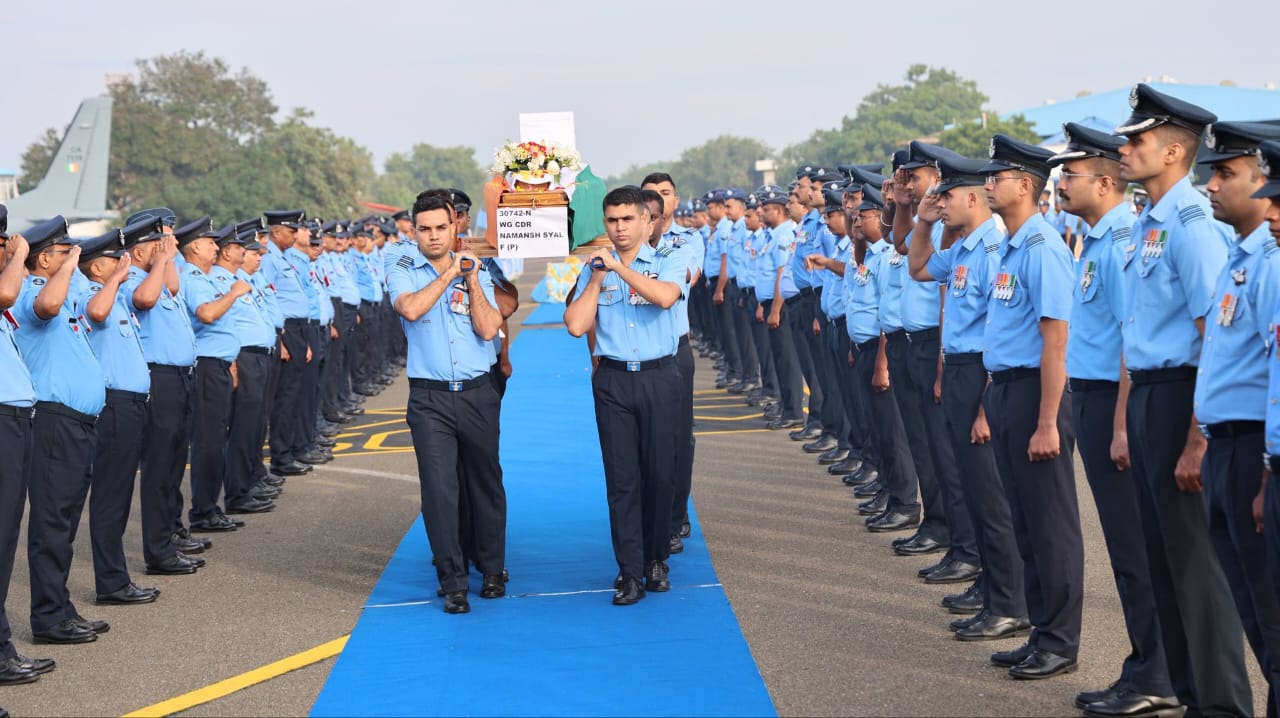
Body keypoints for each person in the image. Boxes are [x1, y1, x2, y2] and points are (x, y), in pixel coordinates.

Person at [1116, 83, 1252, 716]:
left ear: (1173, 151)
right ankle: (1191, 697)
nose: (1124, 146)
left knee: (1197, 570)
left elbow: (1211, 337)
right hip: (1149, 394)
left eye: (1136, 138)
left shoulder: (1192, 227)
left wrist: (1198, 438)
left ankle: (1222, 705)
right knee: (1165, 560)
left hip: (1181, 399)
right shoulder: (1150, 219)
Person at [1050, 121, 1178, 714]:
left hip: (1115, 401)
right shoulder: (1096, 239)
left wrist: (1124, 423)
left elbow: (1134, 339)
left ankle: (1158, 675)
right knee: (1129, 549)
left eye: (1069, 175)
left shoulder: (1126, 238)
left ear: (1104, 183)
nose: (1061, 185)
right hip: (1097, 399)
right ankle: (1143, 664)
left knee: (1135, 547)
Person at [974, 134, 1082, 679]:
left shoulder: (1043, 248)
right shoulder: (1013, 247)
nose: (988, 184)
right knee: (1023, 520)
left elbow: (1055, 340)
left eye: (998, 177)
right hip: (1008, 390)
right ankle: (1041, 632)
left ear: (1027, 186)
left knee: (1050, 523)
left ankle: (1061, 642)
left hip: (1038, 396)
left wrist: (1046, 422)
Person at [906, 154, 1028, 637]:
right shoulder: (962, 249)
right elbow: (917, 268)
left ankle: (1010, 602)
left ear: (973, 199)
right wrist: (921, 221)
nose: (941, 203)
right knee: (972, 490)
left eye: (947, 196)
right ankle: (991, 588)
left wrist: (984, 406)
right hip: (958, 370)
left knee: (992, 496)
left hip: (982, 374)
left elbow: (1002, 333)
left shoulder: (995, 249)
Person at [1195, 120, 1280, 716]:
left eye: (1228, 173)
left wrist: (1268, 469)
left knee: (1271, 612)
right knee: (1253, 608)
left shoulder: (1271, 264)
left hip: (1256, 447)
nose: (1215, 186)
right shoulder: (1238, 257)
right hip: (1228, 445)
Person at [565, 186, 685, 606]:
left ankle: (656, 561)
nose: (619, 228)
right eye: (612, 220)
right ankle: (629, 571)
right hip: (614, 379)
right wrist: (598, 277)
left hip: (659, 377)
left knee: (659, 475)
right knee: (622, 481)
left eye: (627, 219)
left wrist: (620, 268)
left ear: (645, 222)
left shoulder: (669, 257)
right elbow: (577, 325)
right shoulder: (595, 267)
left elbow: (666, 296)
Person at [388, 190, 506, 615]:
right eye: (425, 229)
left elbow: (490, 327)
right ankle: (452, 580)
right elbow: (411, 308)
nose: (434, 237)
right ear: (414, 231)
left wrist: (472, 279)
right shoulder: (400, 264)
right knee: (440, 491)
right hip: (430, 397)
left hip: (477, 391)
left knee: (485, 483)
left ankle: (492, 568)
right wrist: (447, 275)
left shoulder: (476, 266)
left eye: (442, 227)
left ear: (455, 226)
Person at [11, 216, 109, 645]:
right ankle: (48, 618)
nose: (74, 256)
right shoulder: (33, 290)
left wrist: (67, 268)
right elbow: (47, 307)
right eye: (64, 251)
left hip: (77, 422)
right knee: (52, 521)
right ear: (44, 257)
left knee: (65, 521)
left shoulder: (59, 288)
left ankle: (60, 605)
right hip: (55, 419)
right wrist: (69, 268)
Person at [72, 226, 161, 606]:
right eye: (114, 259)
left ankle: (117, 577)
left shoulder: (116, 296)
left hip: (131, 403)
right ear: (96, 268)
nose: (122, 264)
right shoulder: (94, 294)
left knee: (120, 493)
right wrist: (119, 280)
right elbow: (96, 312)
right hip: (113, 404)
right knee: (110, 496)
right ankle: (110, 582)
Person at [119, 210, 207, 573]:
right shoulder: (133, 279)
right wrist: (160, 261)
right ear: (140, 251)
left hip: (181, 377)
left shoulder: (161, 277)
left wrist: (165, 257)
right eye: (159, 242)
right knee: (158, 468)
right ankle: (158, 551)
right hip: (160, 378)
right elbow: (145, 300)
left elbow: (171, 288)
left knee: (173, 464)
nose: (167, 247)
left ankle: (170, 534)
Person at [840, 186, 922, 533]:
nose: (857, 221)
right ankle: (890, 494)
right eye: (855, 216)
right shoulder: (871, 254)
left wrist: (882, 362)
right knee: (878, 428)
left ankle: (905, 502)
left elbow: (890, 311)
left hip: (882, 349)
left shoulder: (892, 254)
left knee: (892, 432)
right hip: (864, 346)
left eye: (864, 215)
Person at [0, 208, 57, 685]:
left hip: (16, 419)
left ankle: (1, 650)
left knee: (4, 543)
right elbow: (7, 291)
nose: (6, 248)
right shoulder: (8, 283)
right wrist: (20, 255)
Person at [640, 173, 703, 551]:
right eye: (650, 195)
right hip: (638, 354)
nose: (657, 201)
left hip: (674, 349)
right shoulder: (624, 245)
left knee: (679, 437)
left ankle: (676, 514)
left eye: (664, 194)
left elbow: (687, 279)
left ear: (674, 202)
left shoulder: (686, 242)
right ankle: (651, 515)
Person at [180, 221, 252, 532]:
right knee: (208, 441)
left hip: (218, 364)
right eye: (210, 242)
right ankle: (204, 511)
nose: (215, 247)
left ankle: (210, 507)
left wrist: (232, 362)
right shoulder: (193, 277)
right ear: (194, 247)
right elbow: (207, 314)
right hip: (207, 367)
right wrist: (234, 293)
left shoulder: (205, 277)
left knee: (215, 437)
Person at [212, 226, 280, 513]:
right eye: (241, 248)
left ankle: (248, 483)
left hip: (259, 356)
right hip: (245, 358)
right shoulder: (222, 281)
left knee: (253, 426)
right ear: (228, 251)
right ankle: (237, 494)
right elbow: (224, 326)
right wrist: (234, 363)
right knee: (241, 429)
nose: (247, 251)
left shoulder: (239, 279)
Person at [260, 210, 318, 477]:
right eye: (291, 230)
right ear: (276, 231)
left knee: (293, 395)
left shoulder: (283, 257)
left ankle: (289, 452)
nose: (296, 235)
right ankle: (281, 458)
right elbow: (269, 301)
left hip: (298, 331)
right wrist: (281, 340)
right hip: (286, 332)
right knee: (283, 399)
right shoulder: (269, 258)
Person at [754, 188, 805, 431]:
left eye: (765, 209)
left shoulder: (785, 235)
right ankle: (786, 407)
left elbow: (781, 273)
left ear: (777, 209)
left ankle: (794, 411)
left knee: (787, 360)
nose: (761, 213)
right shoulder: (773, 234)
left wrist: (775, 309)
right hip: (770, 303)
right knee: (778, 358)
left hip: (780, 306)